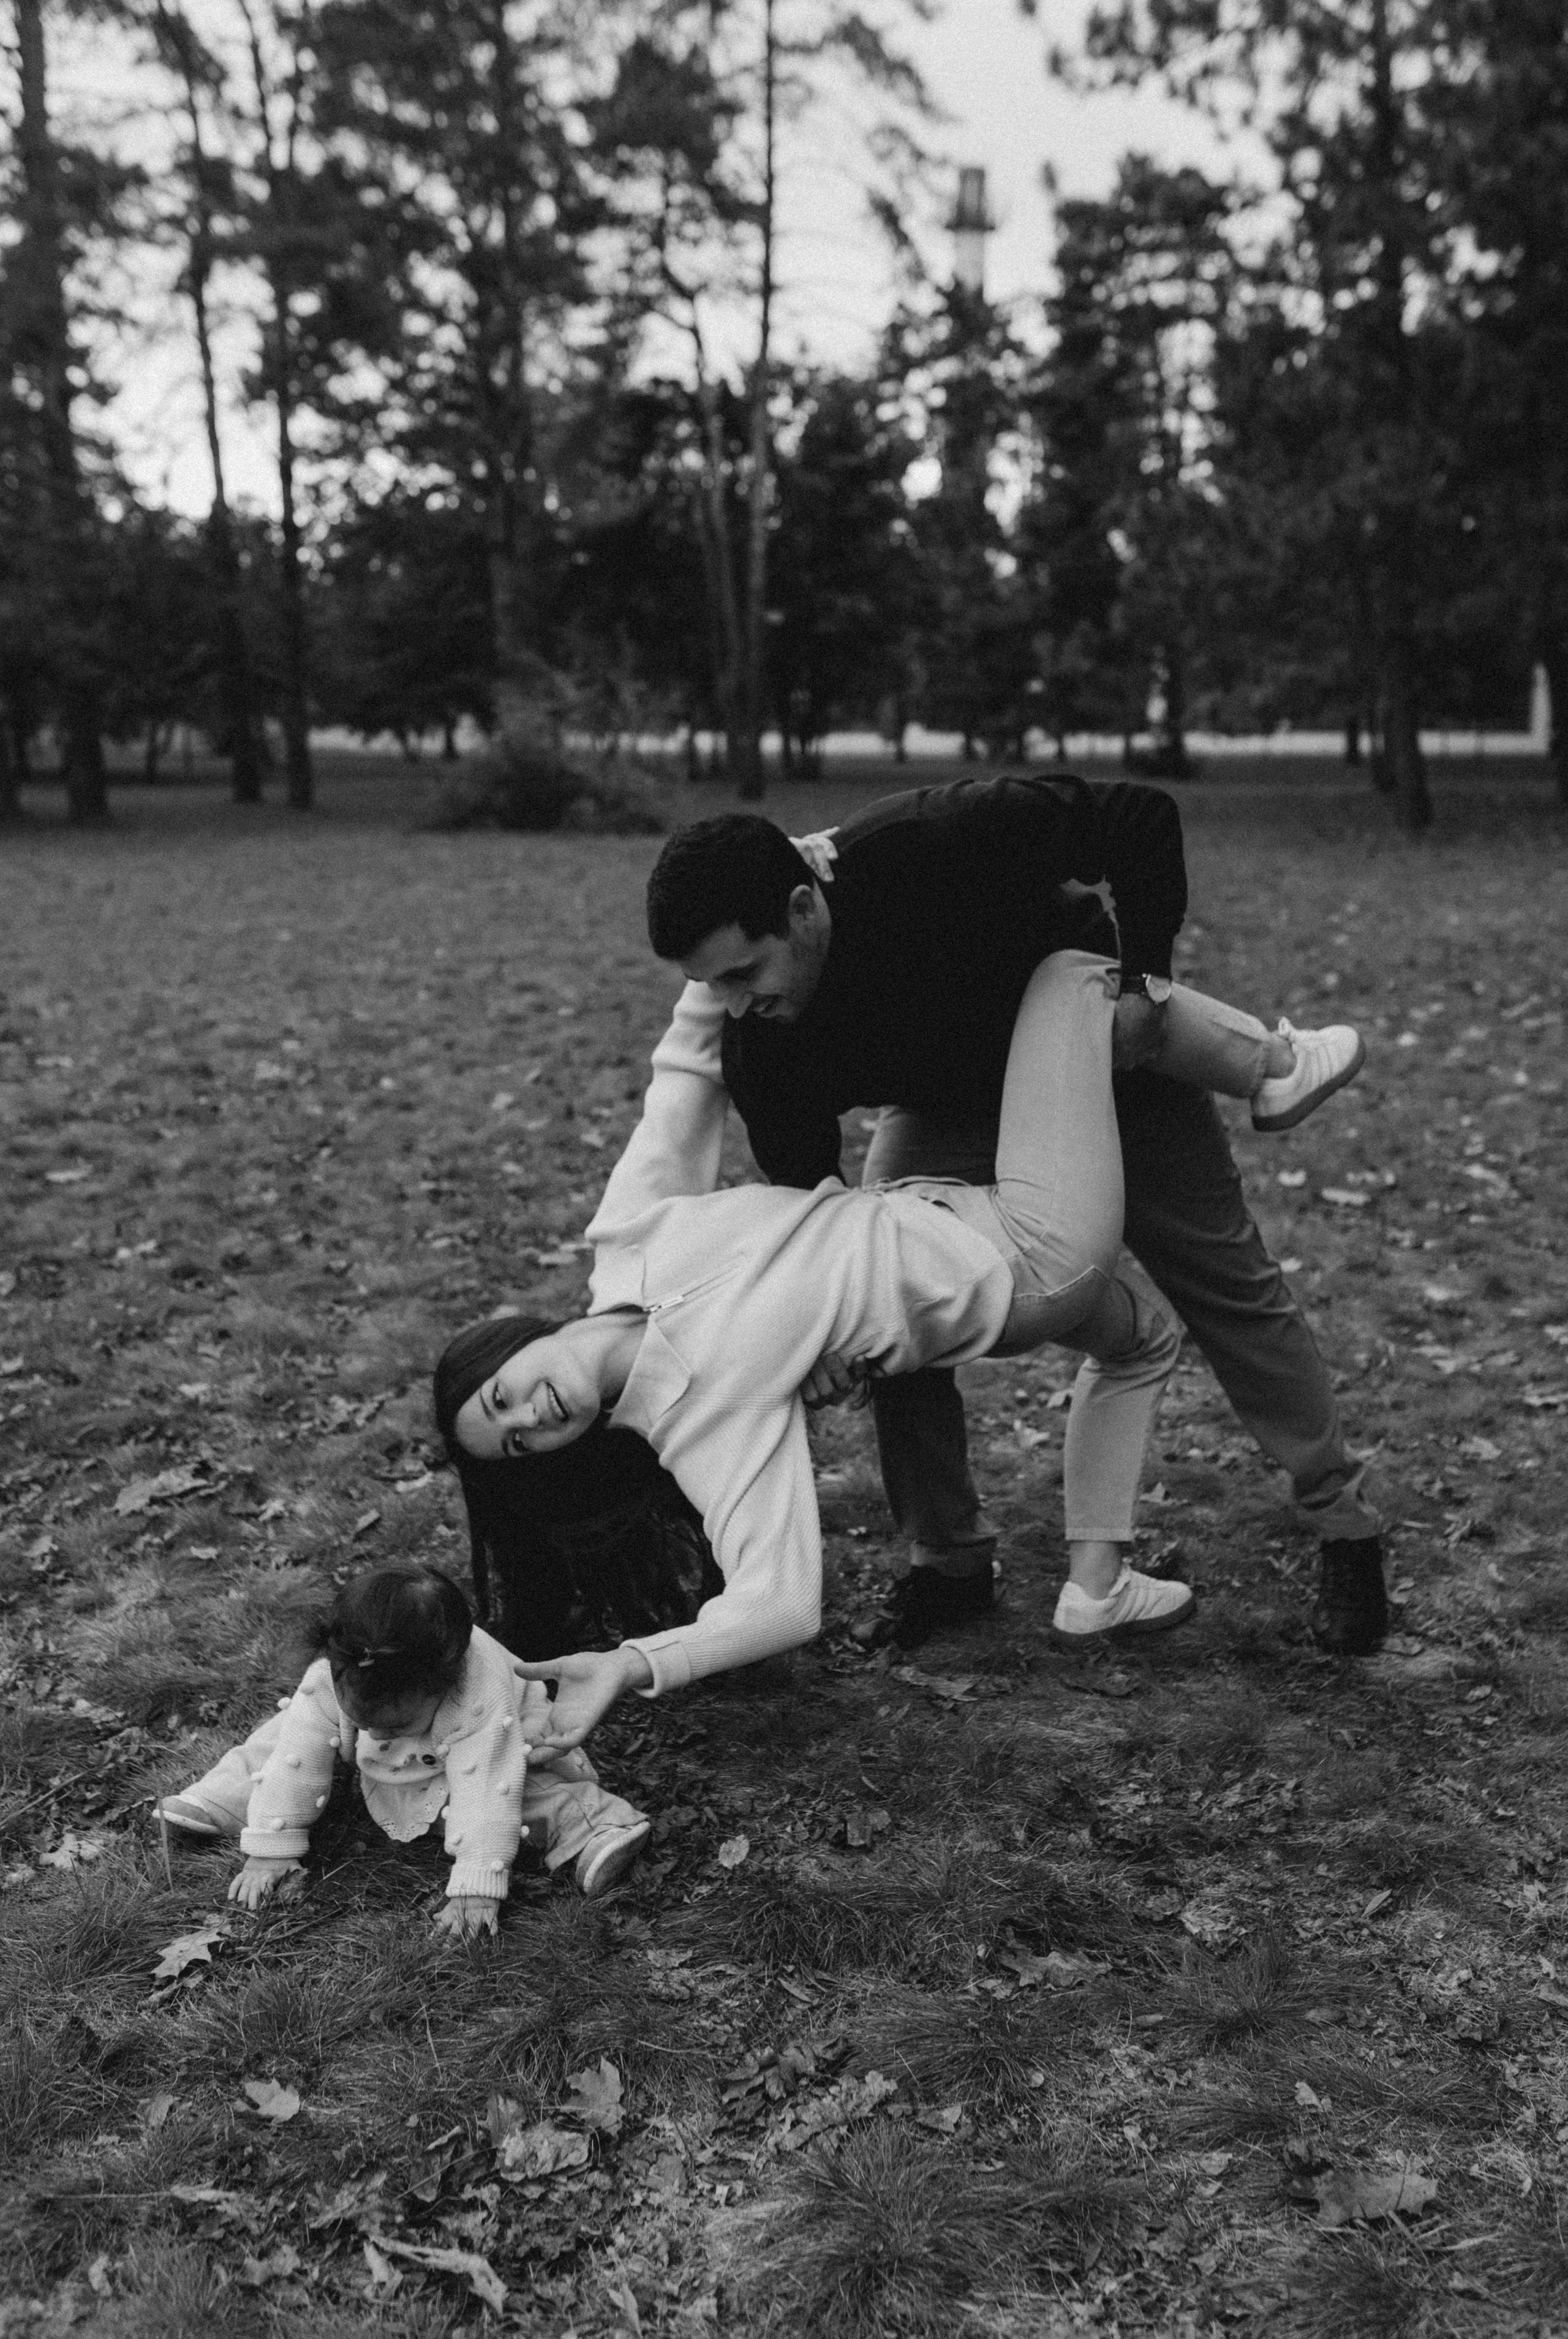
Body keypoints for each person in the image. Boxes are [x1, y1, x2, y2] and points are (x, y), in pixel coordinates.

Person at [443, 943, 1368, 1755]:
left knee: (1145, 1341)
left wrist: (725, 934)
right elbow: (779, 1601)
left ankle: (1097, 1581)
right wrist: (636, 1665)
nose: (532, 1418)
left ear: (509, 1347)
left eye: (502, 1401)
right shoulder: (695, 1422)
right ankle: (1277, 1064)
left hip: (936, 1204)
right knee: (1074, 977)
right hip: (1023, 1260)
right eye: (522, 1444)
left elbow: (684, 1078)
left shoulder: (627, 1239)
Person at [592, 785, 1387, 1657]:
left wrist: (1147, 987)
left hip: (1109, 1056)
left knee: (1228, 1284)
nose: (737, 1006)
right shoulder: (762, 1041)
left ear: (802, 906)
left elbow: (1138, 817)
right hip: (950, 1110)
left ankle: (1343, 1526)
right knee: (882, 1299)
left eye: (745, 973)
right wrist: (814, 1341)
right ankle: (949, 1557)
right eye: (713, 988)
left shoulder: (930, 842)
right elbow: (821, 1232)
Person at [156, 1560, 652, 1933]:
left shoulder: (479, 1693)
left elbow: (487, 1785)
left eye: (397, 1724)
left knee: (530, 1787)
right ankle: (226, 1796)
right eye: (366, 1721)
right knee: (283, 1733)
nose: (382, 1734)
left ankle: (594, 1825)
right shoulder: (333, 1674)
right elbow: (299, 1754)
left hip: (496, 1752)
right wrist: (272, 1847)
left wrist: (477, 1885)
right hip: (382, 1761)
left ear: (447, 1680)